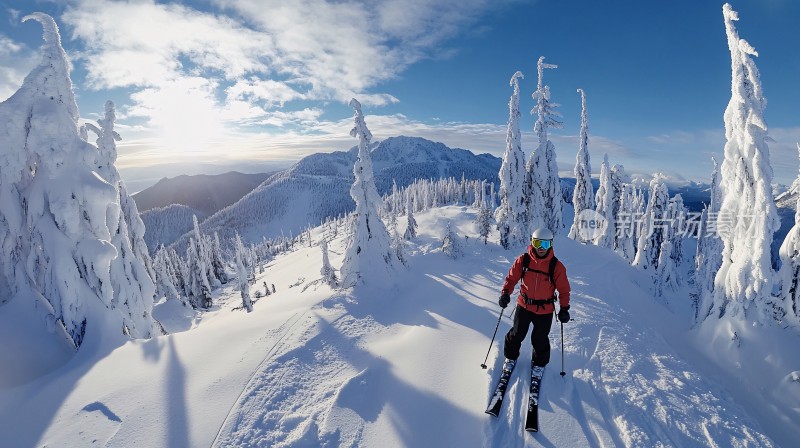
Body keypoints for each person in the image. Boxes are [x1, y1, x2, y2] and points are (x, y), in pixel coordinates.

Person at [498, 228, 571, 371]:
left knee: (540, 339)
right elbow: (511, 279)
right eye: (538, 243)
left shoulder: (556, 266)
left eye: (545, 244)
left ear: (551, 245)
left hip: (545, 309)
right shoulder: (523, 260)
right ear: (532, 242)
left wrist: (564, 309)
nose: (541, 248)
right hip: (524, 305)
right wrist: (505, 293)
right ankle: (510, 357)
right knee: (517, 333)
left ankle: (538, 365)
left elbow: (564, 290)